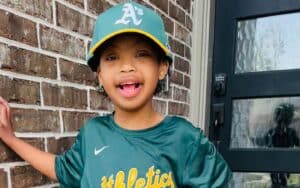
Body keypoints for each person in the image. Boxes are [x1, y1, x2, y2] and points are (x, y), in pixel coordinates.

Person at [0, 1, 231, 187]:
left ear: (162, 67)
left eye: (141, 53)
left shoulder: (185, 140)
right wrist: (12, 139)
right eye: (112, 57)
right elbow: (62, 169)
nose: (126, 67)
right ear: (100, 74)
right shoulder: (92, 135)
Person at [264, 103, 299, 187]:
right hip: (276, 163)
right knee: (277, 181)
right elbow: (267, 146)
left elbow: (297, 142)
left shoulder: (291, 132)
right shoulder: (271, 132)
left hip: (284, 163)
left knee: (282, 181)